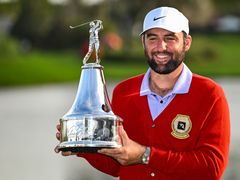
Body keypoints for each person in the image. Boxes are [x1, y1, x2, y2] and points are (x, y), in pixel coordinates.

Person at [56, 6, 230, 180]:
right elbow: (116, 164)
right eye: (152, 38)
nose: (160, 47)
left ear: (186, 42)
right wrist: (82, 145)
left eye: (170, 38)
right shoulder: (124, 92)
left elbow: (212, 168)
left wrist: (144, 155)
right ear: (143, 42)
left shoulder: (210, 94)